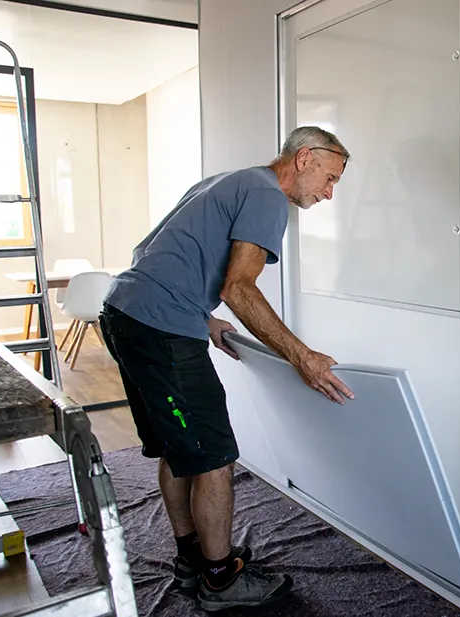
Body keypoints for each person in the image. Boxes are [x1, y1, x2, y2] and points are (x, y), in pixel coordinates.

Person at [98, 126, 355, 612]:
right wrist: (302, 356)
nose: (328, 192)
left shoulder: (227, 181)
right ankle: (220, 581)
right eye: (330, 177)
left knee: (180, 450)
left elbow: (147, 255)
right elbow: (241, 288)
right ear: (303, 159)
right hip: (161, 332)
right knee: (214, 457)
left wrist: (204, 316)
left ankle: (193, 560)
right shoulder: (267, 196)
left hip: (124, 313)